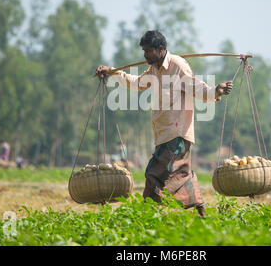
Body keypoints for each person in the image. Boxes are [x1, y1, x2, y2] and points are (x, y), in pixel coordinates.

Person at [95, 30, 233, 217]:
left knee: (154, 173)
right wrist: (113, 73)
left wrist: (215, 90)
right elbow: (137, 83)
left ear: (161, 49)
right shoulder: (154, 69)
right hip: (163, 133)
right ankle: (199, 208)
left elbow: (196, 88)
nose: (145, 55)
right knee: (179, 174)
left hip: (177, 131)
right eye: (144, 51)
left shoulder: (178, 65)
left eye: (148, 51)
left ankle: (146, 214)